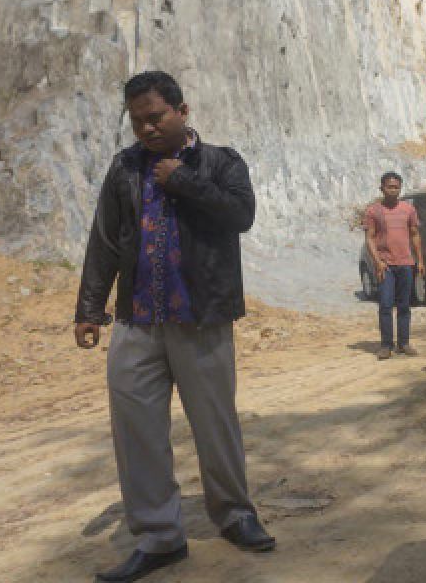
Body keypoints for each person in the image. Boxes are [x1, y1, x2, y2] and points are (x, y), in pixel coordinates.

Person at [73, 71, 274, 583]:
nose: (144, 129)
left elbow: (241, 215)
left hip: (201, 318)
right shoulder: (124, 169)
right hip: (137, 321)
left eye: (155, 117)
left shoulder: (221, 161)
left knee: (214, 423)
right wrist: (90, 308)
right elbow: (105, 241)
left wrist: (181, 180)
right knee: (135, 428)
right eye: (137, 121)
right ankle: (160, 536)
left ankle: (234, 515)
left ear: (183, 111)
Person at [363, 171, 426, 360]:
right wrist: (377, 262)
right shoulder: (373, 211)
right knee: (385, 304)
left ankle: (404, 343)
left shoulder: (408, 210)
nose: (393, 190)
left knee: (404, 305)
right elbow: (370, 238)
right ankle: (386, 345)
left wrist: (420, 261)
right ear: (381, 188)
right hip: (386, 265)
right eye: (389, 186)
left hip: (406, 264)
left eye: (396, 187)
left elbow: (415, 234)